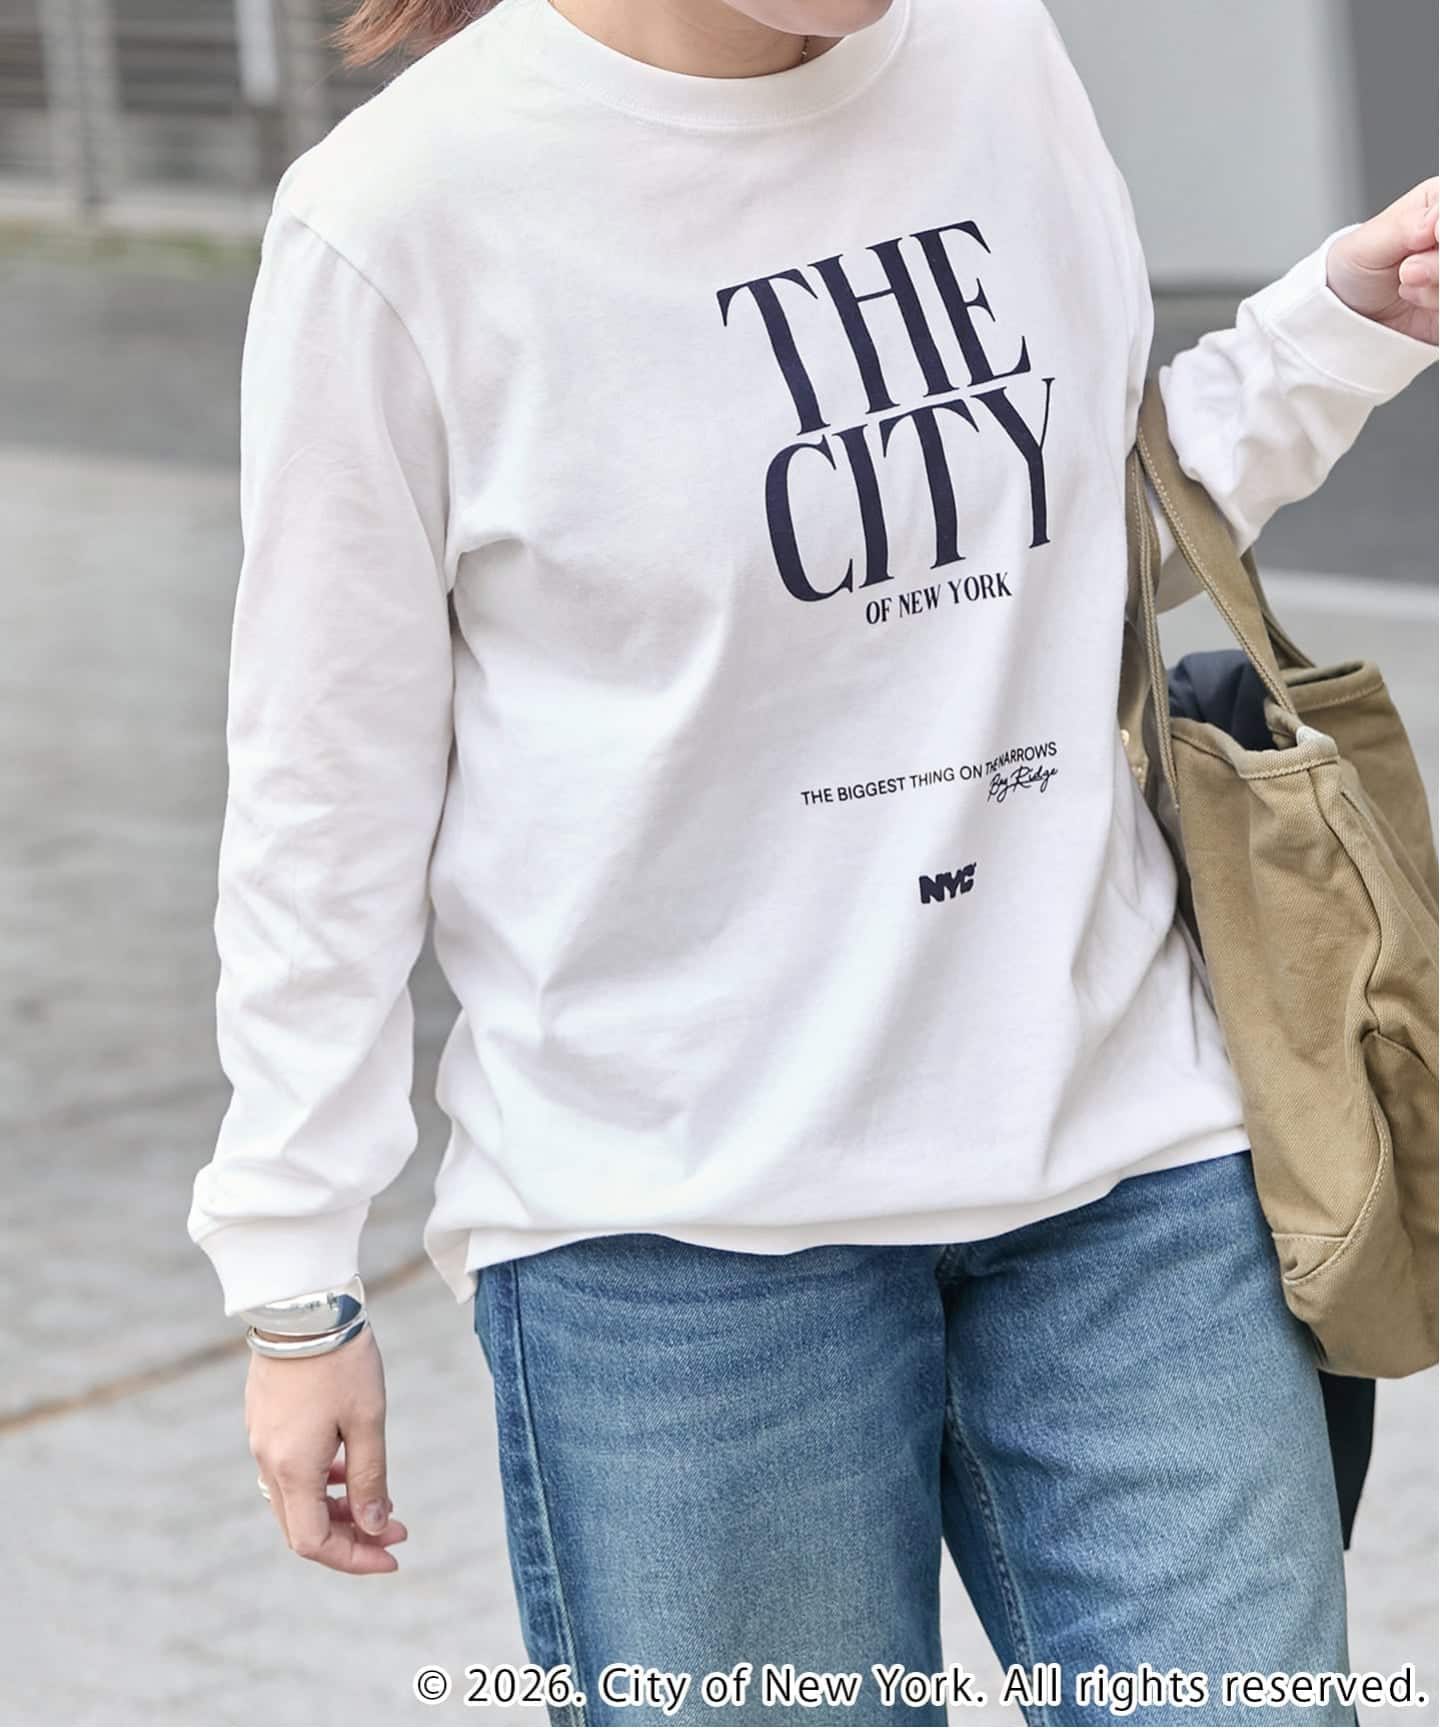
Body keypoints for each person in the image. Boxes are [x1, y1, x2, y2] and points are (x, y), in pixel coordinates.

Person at [186, 1, 1439, 1722]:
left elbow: (1067, 538)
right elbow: (327, 787)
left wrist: (1336, 329)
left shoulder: (994, 53)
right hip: (678, 1241)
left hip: (1130, 1166)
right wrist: (294, 1270)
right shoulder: (398, 218)